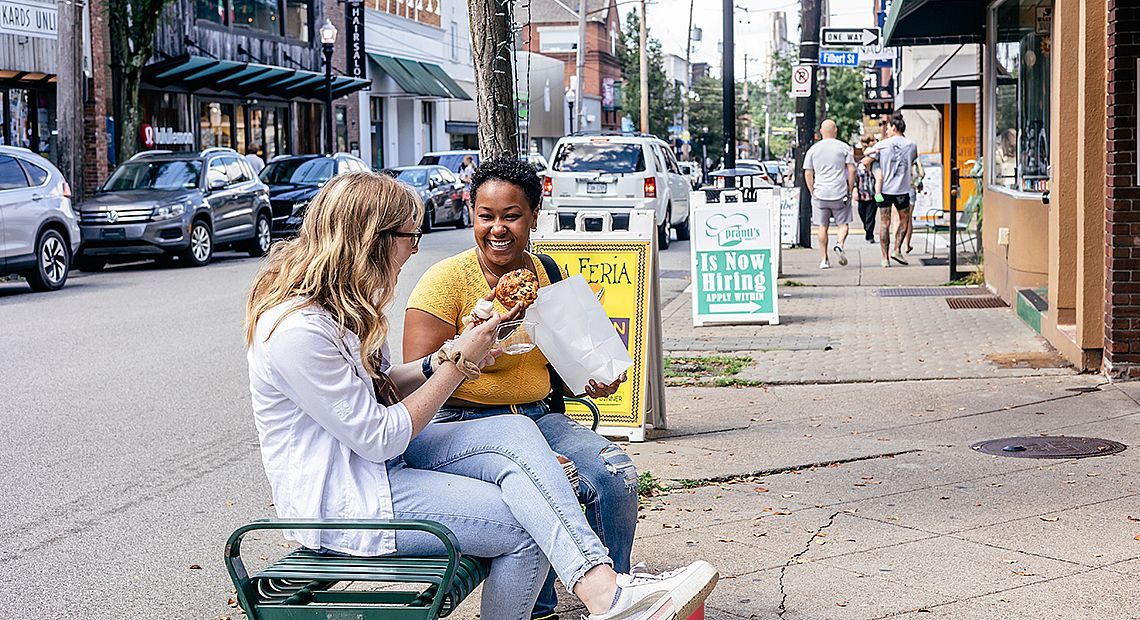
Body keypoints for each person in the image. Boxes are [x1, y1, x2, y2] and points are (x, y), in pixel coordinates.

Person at [245, 170, 718, 620]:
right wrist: (457, 365)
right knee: (524, 527)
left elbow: (383, 385)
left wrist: (448, 354)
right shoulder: (297, 330)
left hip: (379, 470)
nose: (413, 251)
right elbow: (379, 437)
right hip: (349, 497)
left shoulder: (340, 310)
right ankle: (607, 594)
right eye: (411, 236)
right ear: (373, 241)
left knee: (519, 432)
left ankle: (607, 590)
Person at [404, 157, 638, 620]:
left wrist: (595, 377)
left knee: (616, 475)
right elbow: (413, 379)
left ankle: (622, 598)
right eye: (485, 216)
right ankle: (541, 607)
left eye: (511, 215)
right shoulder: (444, 282)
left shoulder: (546, 274)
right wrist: (470, 342)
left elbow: (565, 358)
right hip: (463, 424)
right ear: (471, 215)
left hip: (538, 415)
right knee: (553, 480)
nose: (497, 229)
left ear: (534, 215)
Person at [865, 114, 920, 268]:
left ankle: (885, 258)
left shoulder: (882, 145)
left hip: (885, 190)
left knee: (884, 223)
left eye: (888, 128)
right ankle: (897, 249)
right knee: (904, 220)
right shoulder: (912, 145)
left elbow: (867, 158)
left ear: (894, 127)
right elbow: (913, 161)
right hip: (903, 190)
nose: (887, 131)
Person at [803, 119, 856, 269]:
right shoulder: (843, 147)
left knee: (822, 226)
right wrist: (850, 189)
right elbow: (852, 170)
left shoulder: (813, 149)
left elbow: (808, 172)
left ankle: (824, 260)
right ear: (836, 131)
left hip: (820, 193)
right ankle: (839, 243)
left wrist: (813, 191)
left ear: (821, 131)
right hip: (839, 192)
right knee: (843, 225)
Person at [855, 135, 879, 243]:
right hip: (861, 194)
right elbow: (856, 179)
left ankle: (870, 236)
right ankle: (867, 230)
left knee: (870, 216)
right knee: (862, 214)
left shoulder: (876, 164)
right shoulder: (860, 164)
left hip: (872, 194)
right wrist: (854, 190)